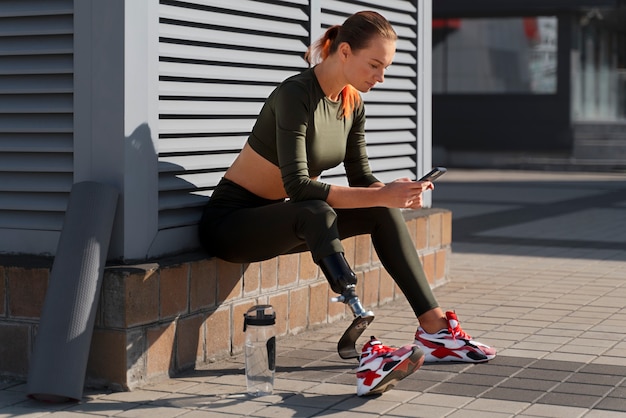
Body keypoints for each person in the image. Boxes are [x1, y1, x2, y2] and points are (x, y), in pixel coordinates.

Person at [199, 10, 496, 396]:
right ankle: (364, 337)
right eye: (374, 64)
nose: (380, 76)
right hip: (233, 224)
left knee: (380, 207)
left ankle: (436, 330)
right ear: (343, 51)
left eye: (385, 67)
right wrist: (380, 193)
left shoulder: (351, 103)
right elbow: (300, 186)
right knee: (317, 209)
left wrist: (393, 191)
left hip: (287, 220)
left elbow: (362, 179)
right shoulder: (295, 94)